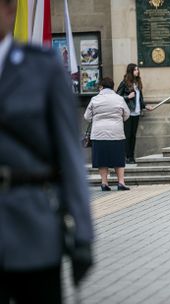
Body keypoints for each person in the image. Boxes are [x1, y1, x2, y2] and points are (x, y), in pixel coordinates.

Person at [0, 0, 94, 301]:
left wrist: (83, 234)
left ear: (9, 9)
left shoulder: (41, 67)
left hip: (31, 230)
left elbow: (69, 152)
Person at [85, 77, 132, 191]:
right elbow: (127, 114)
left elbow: (87, 116)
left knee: (102, 159)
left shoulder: (95, 99)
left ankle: (104, 183)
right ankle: (121, 182)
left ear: (101, 87)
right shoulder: (119, 99)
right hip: (116, 133)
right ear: (112, 87)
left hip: (99, 134)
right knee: (118, 158)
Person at [116, 63, 153, 164]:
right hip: (128, 113)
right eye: (135, 70)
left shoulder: (138, 83)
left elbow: (140, 99)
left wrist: (145, 106)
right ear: (131, 71)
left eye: (138, 70)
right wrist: (128, 97)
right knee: (127, 135)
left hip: (136, 113)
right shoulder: (124, 83)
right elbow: (117, 97)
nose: (137, 71)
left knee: (133, 136)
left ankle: (131, 156)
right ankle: (126, 157)